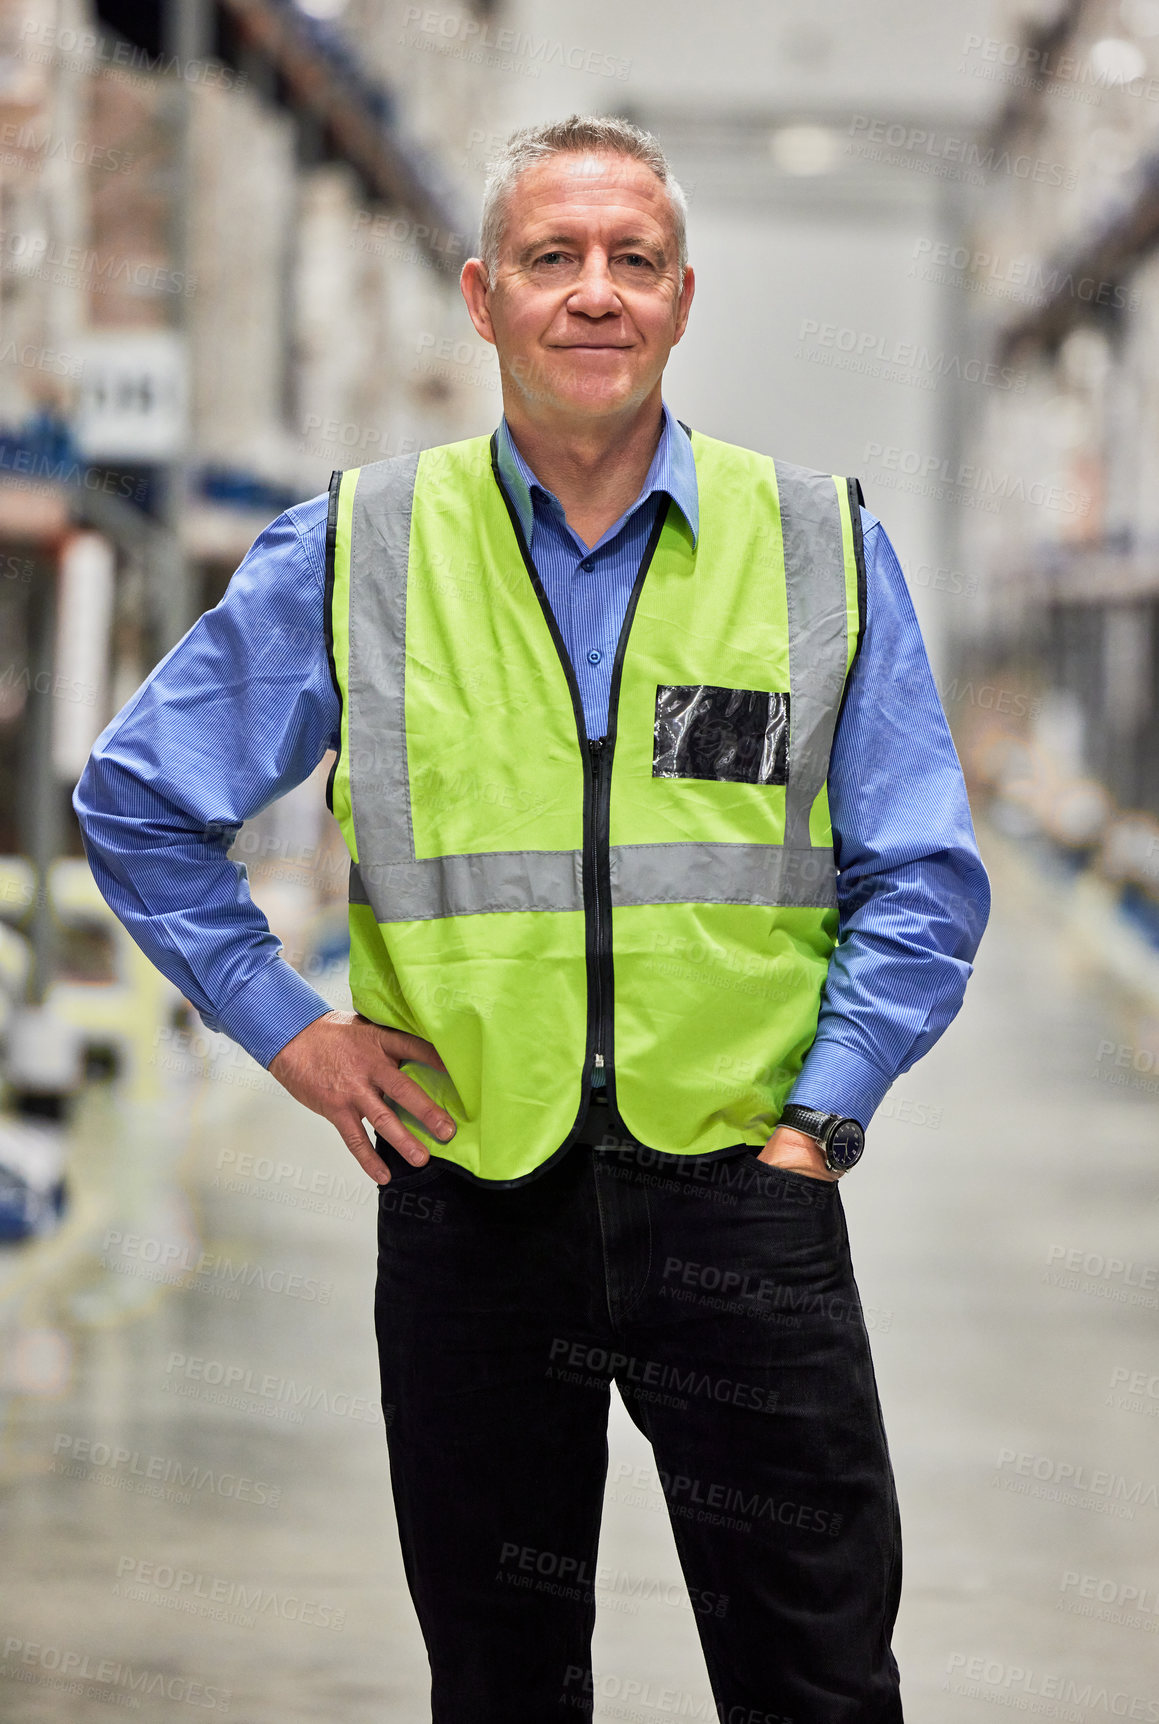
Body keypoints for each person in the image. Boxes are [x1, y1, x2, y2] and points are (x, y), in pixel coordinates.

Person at [75, 113, 989, 1724]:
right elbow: (141, 801)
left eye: (631, 260)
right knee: (498, 1683)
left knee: (821, 1676)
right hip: (472, 1206)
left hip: (740, 1203)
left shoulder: (817, 545)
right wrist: (291, 1033)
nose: (594, 293)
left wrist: (820, 1126)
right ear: (481, 295)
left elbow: (921, 876)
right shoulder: (361, 546)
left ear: (684, 297)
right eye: (551, 258)